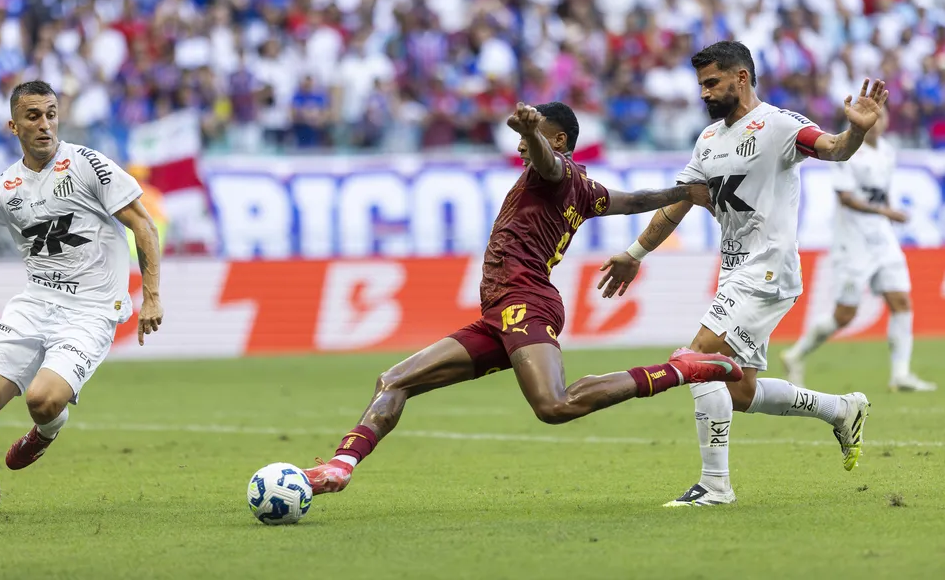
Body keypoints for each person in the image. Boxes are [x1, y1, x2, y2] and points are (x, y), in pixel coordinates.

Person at [302, 101, 744, 496]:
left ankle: (677, 370)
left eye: (528, 140)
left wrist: (531, 132)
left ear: (558, 140)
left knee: (554, 405)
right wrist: (685, 192)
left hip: (525, 301)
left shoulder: (553, 173)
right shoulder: (587, 191)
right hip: (500, 312)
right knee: (394, 380)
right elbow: (634, 201)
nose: (518, 148)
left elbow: (551, 164)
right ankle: (340, 467)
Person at [597, 41, 887, 507]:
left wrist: (854, 133)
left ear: (742, 78)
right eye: (701, 85)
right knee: (737, 390)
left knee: (698, 361)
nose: (705, 93)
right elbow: (680, 202)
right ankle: (841, 409)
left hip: (767, 270)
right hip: (735, 272)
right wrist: (635, 253)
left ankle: (715, 487)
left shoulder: (779, 125)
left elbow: (833, 149)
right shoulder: (708, 140)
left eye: (712, 82)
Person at [0, 80, 165, 516]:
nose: (44, 124)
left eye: (50, 114)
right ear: (13, 125)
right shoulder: (7, 186)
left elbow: (144, 225)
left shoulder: (88, 164)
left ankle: (45, 432)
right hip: (35, 303)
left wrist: (152, 297)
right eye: (33, 116)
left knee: (42, 401)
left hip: (92, 310)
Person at [782, 106, 935, 392]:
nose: (876, 124)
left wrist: (887, 213)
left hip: (882, 239)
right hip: (852, 243)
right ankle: (795, 355)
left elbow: (881, 193)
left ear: (887, 121)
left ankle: (900, 375)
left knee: (901, 300)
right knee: (844, 316)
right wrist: (886, 213)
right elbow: (846, 198)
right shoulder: (848, 152)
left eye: (881, 118)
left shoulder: (887, 151)